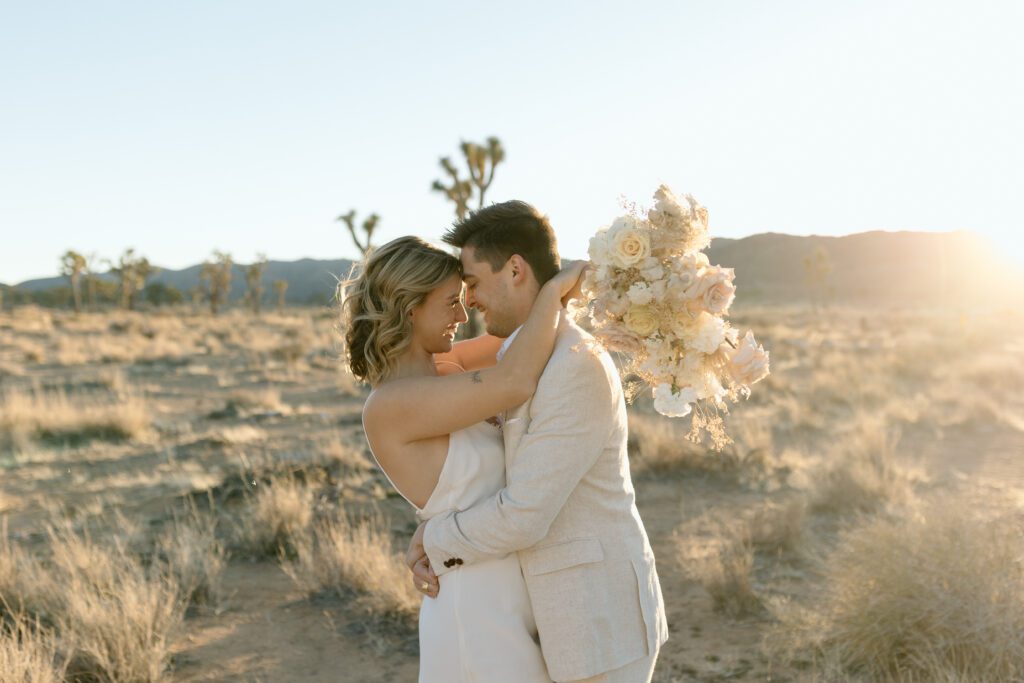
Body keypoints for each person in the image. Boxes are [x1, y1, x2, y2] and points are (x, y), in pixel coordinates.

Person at [406, 201, 669, 683]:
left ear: (515, 269)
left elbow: (525, 512)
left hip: (597, 625)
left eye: (472, 282)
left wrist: (435, 538)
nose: (469, 302)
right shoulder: (521, 357)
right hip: (559, 618)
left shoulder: (575, 365)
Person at [342, 235, 587, 682]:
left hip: (509, 588)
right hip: (474, 607)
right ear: (408, 306)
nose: (463, 314)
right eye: (449, 303)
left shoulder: (446, 369)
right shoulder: (390, 405)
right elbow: (516, 378)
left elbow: (524, 337)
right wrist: (554, 290)